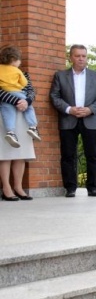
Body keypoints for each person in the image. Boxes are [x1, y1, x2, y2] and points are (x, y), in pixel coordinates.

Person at [50, 44, 96, 198]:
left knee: (93, 155)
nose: (81, 59)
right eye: (78, 56)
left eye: (84, 56)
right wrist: (69, 109)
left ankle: (93, 188)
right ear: (71, 57)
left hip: (91, 119)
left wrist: (90, 109)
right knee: (68, 155)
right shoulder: (60, 76)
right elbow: (54, 96)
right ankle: (70, 188)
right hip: (68, 119)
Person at [0, 60, 36, 201]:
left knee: (21, 153)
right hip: (5, 117)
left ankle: (18, 187)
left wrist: (27, 101)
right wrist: (16, 101)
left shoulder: (23, 74)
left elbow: (31, 91)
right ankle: (6, 188)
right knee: (6, 153)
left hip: (23, 115)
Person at [0, 45, 41, 147]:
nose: (20, 62)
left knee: (7, 111)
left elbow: (31, 92)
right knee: (29, 109)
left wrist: (27, 101)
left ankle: (10, 132)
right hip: (18, 95)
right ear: (13, 59)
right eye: (19, 60)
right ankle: (32, 127)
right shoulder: (17, 71)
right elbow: (24, 83)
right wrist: (23, 101)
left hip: (6, 98)